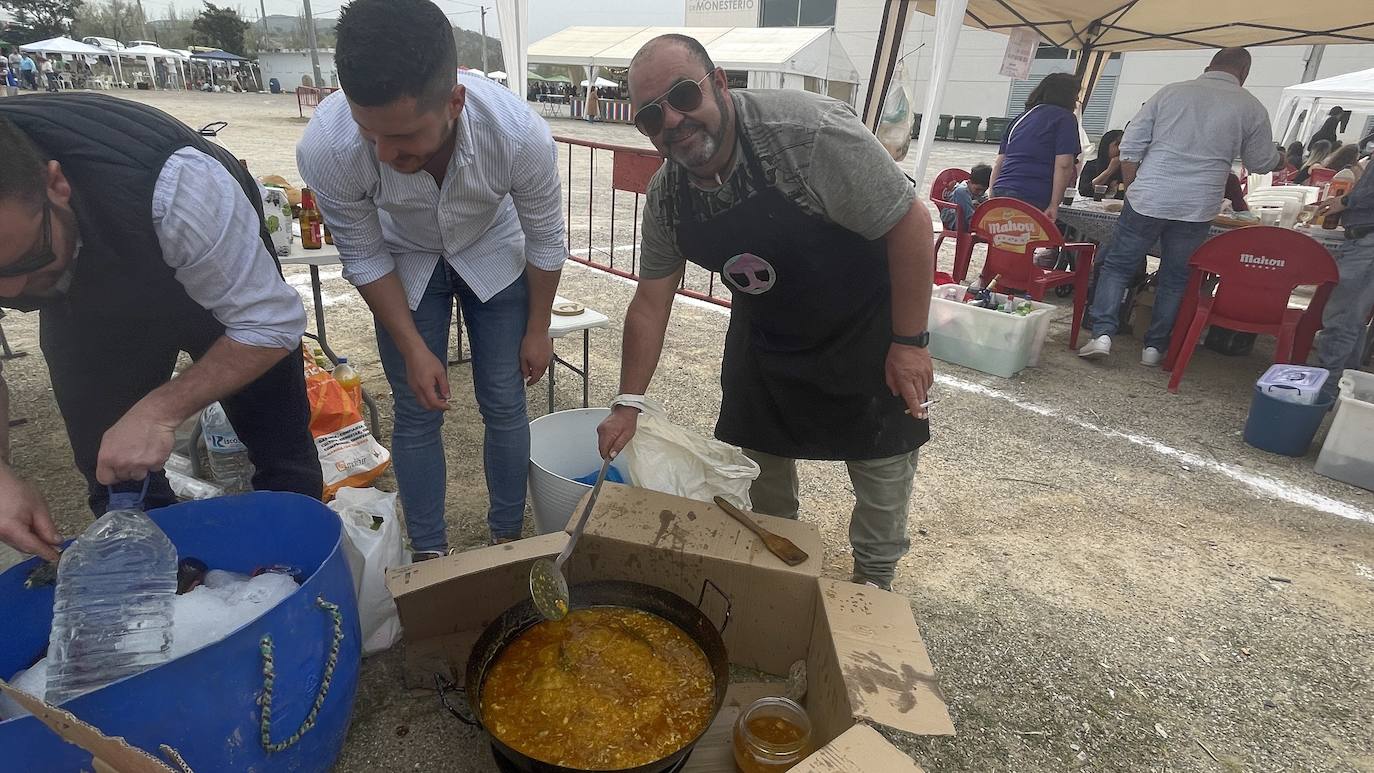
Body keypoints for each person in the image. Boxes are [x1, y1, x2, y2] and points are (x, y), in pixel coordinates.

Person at [597, 34, 935, 591]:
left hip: (865, 329)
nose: (674, 121)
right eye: (652, 116)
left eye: (684, 95)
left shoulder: (807, 137)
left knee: (882, 466)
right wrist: (628, 402)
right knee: (762, 477)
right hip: (766, 339)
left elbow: (910, 223)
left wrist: (911, 341)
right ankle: (779, 579)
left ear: (721, 82)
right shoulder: (668, 196)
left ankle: (876, 583)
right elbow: (651, 301)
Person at [0, 94, 324, 562]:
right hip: (88, 308)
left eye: (29, 258)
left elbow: (269, 323)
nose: (13, 291)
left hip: (217, 286)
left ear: (56, 184)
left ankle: (295, 574)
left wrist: (159, 411)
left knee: (282, 453)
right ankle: (165, 592)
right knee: (111, 469)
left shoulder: (177, 182)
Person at [297, 0, 565, 560]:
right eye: (371, 134)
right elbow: (365, 257)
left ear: (455, 101)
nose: (385, 153)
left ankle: (505, 540)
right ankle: (429, 553)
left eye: (405, 136)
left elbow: (545, 241)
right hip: (405, 256)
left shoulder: (520, 136)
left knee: (504, 400)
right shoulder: (326, 147)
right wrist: (413, 346)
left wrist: (538, 327)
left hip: (491, 245)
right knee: (416, 410)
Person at [1078, 47, 1282, 366]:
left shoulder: (1171, 93)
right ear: (1244, 73)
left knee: (1118, 265)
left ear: (1208, 66)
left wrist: (1133, 184)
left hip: (1150, 194)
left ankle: (1102, 334)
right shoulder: (1251, 106)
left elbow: (1130, 145)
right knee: (1175, 277)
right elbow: (1260, 161)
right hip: (1199, 203)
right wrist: (1278, 157)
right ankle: (1154, 347)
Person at [1311, 163, 1374, 401]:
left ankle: (1324, 395)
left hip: (1367, 239)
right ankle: (1345, 391)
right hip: (1363, 237)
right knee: (1352, 322)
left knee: (1342, 321)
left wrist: (1347, 201)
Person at [989, 72, 1081, 219]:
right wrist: (1054, 204)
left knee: (1004, 239)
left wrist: (992, 195)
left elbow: (999, 162)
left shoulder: (1020, 118)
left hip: (1002, 190)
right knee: (1030, 241)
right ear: (1066, 95)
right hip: (1034, 194)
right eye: (1076, 95)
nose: (1077, 100)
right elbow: (1064, 164)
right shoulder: (1065, 119)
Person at [939, 163, 990, 232]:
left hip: (973, 222)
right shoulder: (961, 190)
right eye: (978, 189)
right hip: (956, 221)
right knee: (961, 192)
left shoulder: (982, 195)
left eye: (984, 190)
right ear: (969, 182)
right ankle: (975, 224)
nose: (980, 193)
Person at [1078, 129, 1125, 198]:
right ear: (1106, 146)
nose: (1121, 148)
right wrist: (1109, 170)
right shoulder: (1092, 165)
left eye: (1124, 145)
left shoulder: (1127, 168)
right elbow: (1084, 191)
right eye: (1117, 144)